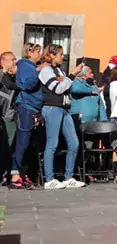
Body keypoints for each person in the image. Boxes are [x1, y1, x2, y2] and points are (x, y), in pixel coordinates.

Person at [38, 45, 85, 189]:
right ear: (51, 55)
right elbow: (58, 88)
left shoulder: (59, 70)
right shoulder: (46, 71)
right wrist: (70, 76)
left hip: (64, 108)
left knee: (74, 143)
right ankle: (49, 179)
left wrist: (65, 80)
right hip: (52, 108)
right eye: (60, 54)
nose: (62, 57)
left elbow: (66, 87)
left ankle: (68, 177)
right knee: (52, 143)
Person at [10, 43, 43, 189]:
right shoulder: (24, 65)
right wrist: (37, 71)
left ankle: (24, 173)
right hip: (27, 106)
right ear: (30, 52)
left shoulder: (32, 66)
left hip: (35, 107)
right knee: (23, 141)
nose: (40, 55)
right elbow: (27, 85)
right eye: (37, 52)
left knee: (30, 143)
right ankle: (15, 174)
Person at [1, 52, 19, 183]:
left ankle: (7, 173)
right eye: (12, 60)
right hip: (4, 117)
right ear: (3, 62)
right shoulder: (2, 77)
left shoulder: (14, 78)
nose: (15, 62)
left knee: (9, 147)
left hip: (11, 116)